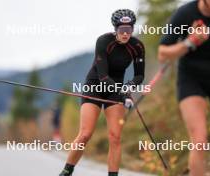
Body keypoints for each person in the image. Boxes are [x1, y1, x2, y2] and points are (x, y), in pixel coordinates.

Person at [158, 0, 210, 175]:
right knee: (200, 141)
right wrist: (190, 42)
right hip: (191, 80)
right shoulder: (185, 14)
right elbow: (162, 53)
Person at [59, 9, 145, 176]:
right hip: (95, 87)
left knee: (115, 137)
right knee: (85, 134)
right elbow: (103, 76)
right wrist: (122, 92)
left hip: (116, 91)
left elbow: (139, 75)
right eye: (122, 30)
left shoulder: (137, 46)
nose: (126, 34)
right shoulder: (104, 41)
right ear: (115, 29)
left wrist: (128, 87)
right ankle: (67, 170)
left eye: (129, 29)